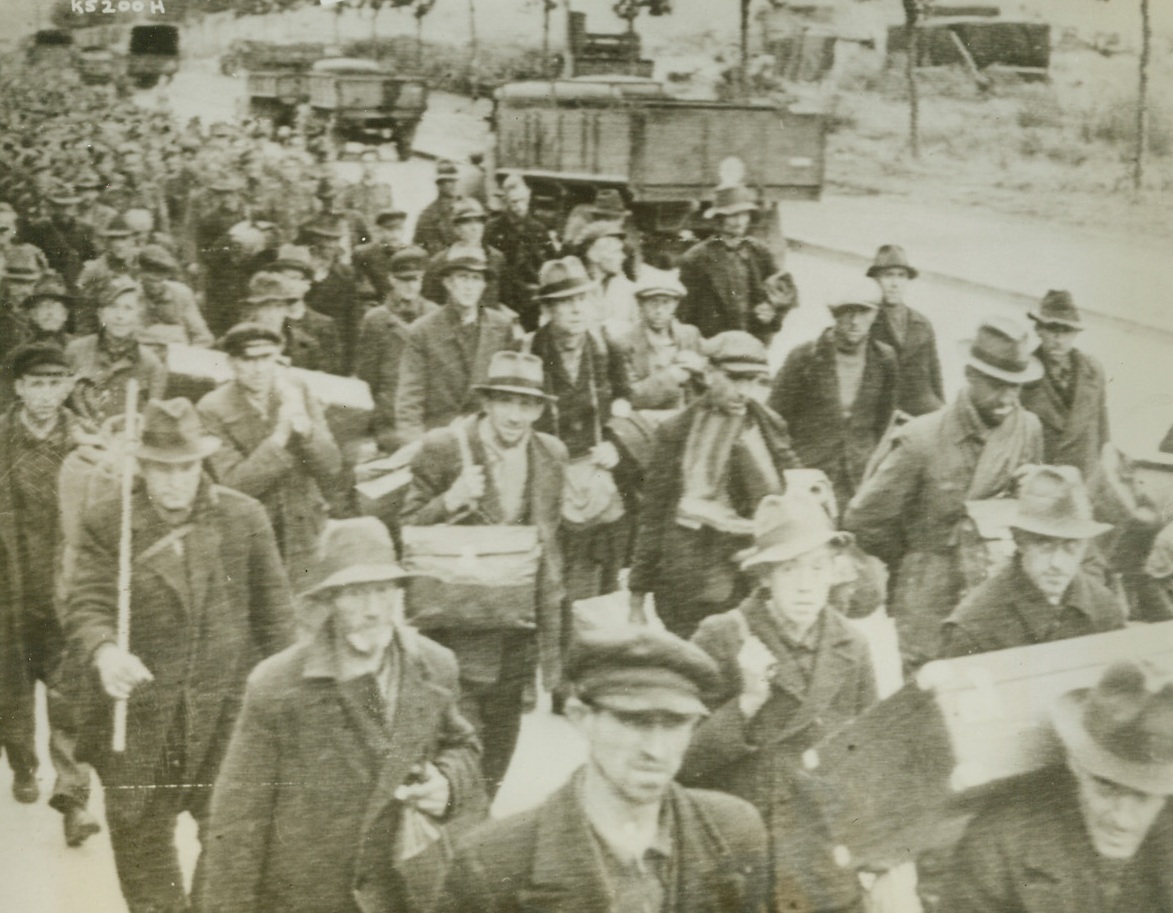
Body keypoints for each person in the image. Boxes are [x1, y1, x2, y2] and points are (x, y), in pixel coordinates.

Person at [64, 398, 295, 913]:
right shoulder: (110, 520)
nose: (173, 482)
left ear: (202, 463)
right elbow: (87, 601)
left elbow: (279, 623)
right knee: (145, 854)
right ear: (141, 466)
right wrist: (105, 652)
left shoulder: (244, 518)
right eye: (160, 469)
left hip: (225, 716)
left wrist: (292, 705)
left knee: (232, 841)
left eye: (185, 467)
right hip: (139, 719)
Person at [201, 517, 485, 913]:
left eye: (383, 589)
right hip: (309, 896)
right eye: (355, 593)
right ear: (331, 600)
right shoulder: (278, 685)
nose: (372, 610)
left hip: (399, 890)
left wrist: (449, 784)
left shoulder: (435, 666)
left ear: (399, 592)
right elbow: (238, 823)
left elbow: (463, 745)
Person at [441, 627, 771, 913]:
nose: (655, 750)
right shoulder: (493, 861)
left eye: (674, 723)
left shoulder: (734, 831)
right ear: (581, 717)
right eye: (633, 721)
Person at [681, 491, 878, 913]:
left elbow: (869, 757)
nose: (806, 585)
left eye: (818, 568)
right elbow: (680, 760)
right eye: (790, 570)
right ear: (764, 577)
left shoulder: (853, 646)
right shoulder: (723, 636)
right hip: (747, 850)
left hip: (823, 854)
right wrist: (747, 704)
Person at [402, 351, 567, 796]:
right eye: (506, 401)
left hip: (517, 637)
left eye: (528, 404)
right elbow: (405, 533)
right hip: (455, 632)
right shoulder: (444, 447)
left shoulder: (551, 454)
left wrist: (553, 654)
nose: (516, 415)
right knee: (457, 755)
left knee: (498, 755)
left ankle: (476, 830)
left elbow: (550, 551)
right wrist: (450, 501)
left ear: (539, 409)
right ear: (488, 403)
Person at [843, 315, 1045, 667]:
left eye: (1017, 386)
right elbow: (864, 518)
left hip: (993, 593)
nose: (1010, 397)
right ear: (970, 376)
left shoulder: (1027, 429)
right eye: (998, 384)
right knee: (927, 699)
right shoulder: (922, 439)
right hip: (928, 599)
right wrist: (915, 556)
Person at [943, 660, 1173, 913]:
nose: (1123, 820)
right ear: (1076, 766)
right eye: (1105, 786)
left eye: (1144, 796)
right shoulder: (1000, 844)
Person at [629, 331, 801, 638]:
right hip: (685, 585)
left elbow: (794, 500)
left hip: (747, 583)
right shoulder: (675, 432)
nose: (743, 391)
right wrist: (637, 595)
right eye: (734, 378)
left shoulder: (769, 426)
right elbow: (652, 516)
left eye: (752, 380)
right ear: (708, 374)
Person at [0, 344, 101, 846]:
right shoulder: (1, 439)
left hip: (65, 590)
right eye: (34, 384)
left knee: (72, 695)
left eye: (54, 383)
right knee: (10, 694)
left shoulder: (86, 445)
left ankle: (74, 798)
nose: (44, 394)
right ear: (18, 387)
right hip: (7, 589)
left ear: (67, 387)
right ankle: (22, 762)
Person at [197, 323, 342, 590]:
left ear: (278, 356)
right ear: (232, 363)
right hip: (253, 536)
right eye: (248, 359)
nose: (259, 368)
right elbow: (235, 485)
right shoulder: (212, 408)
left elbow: (332, 467)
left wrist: (306, 429)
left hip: (305, 530)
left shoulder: (297, 389)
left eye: (266, 358)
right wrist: (281, 435)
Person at [529, 256, 632, 602]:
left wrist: (614, 443)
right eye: (564, 302)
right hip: (547, 465)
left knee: (612, 539)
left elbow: (624, 399)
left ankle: (606, 602)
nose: (575, 310)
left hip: (596, 462)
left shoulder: (605, 349)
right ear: (547, 309)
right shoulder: (531, 352)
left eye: (581, 300)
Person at [940, 464, 1124, 658]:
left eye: (1071, 548)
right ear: (1020, 541)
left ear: (1085, 547)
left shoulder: (1103, 607)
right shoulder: (974, 625)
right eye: (1045, 547)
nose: (1058, 563)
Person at [768, 281, 898, 514]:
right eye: (847, 312)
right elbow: (773, 420)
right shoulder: (805, 357)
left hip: (857, 479)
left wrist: (871, 468)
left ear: (876, 314)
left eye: (864, 312)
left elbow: (884, 422)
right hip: (807, 475)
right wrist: (793, 470)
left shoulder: (885, 360)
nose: (855, 321)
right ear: (834, 314)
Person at [396, 249, 518, 442]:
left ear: (484, 285)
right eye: (462, 278)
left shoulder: (501, 327)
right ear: (448, 283)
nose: (469, 286)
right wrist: (416, 445)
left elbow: (510, 391)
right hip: (439, 435)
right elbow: (410, 397)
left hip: (487, 433)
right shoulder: (423, 331)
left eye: (476, 278)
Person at [355, 246, 440, 453]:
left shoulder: (436, 316)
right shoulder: (376, 320)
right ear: (392, 280)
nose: (410, 287)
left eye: (415, 280)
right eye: (404, 280)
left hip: (427, 415)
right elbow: (367, 377)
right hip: (389, 417)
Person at [677, 184, 784, 345]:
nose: (739, 221)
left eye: (744, 214)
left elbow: (784, 291)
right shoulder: (696, 258)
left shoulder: (760, 252)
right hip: (712, 343)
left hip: (753, 342)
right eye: (732, 215)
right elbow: (685, 313)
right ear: (719, 219)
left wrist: (772, 310)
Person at [1021, 290, 1111, 481]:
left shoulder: (1093, 370)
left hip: (1083, 479)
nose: (1059, 340)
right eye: (1052, 329)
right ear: (1038, 329)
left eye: (1066, 331)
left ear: (1076, 333)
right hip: (1042, 482)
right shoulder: (1022, 372)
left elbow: (1103, 430)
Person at [66, 276, 167, 426]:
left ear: (138, 315)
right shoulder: (75, 351)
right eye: (113, 307)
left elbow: (150, 418)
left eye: (128, 308)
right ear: (101, 314)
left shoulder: (151, 363)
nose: (120, 316)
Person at [865, 244, 944, 417]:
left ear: (907, 280)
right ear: (877, 279)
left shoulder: (922, 324)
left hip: (921, 410)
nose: (894, 284)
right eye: (888, 275)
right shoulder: (866, 321)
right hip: (881, 411)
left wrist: (940, 415)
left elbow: (935, 377)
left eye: (901, 276)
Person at [623, 266, 706, 411]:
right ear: (640, 304)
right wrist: (671, 376)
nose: (659, 310)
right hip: (648, 423)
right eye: (653, 302)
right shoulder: (625, 342)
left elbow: (710, 384)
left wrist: (701, 369)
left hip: (688, 418)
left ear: (676, 304)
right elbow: (631, 395)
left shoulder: (690, 335)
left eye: (666, 302)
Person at [484, 174, 554, 331]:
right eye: (515, 202)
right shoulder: (493, 230)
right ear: (506, 202)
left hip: (532, 303)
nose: (520, 206)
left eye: (524, 200)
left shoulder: (539, 230)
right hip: (504, 301)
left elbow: (551, 263)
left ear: (529, 196)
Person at [421, 197, 509, 313]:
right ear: (456, 228)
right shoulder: (439, 263)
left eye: (479, 221)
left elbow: (505, 299)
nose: (474, 228)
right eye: (467, 222)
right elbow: (430, 304)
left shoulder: (496, 258)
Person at [269, 244, 343, 375]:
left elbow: (331, 374)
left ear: (307, 284)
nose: (287, 284)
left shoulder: (324, 325)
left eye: (294, 278)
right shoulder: (266, 319)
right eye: (281, 278)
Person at [137, 243, 214, 347]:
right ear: (141, 274)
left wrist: (188, 355)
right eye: (149, 281)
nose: (155, 286)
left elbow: (203, 336)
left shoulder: (181, 293)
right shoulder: (130, 294)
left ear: (167, 276)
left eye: (159, 280)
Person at [354, 208, 409, 300]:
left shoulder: (409, 254)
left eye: (399, 229)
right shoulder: (364, 254)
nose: (395, 235)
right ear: (380, 231)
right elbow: (359, 287)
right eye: (390, 230)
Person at [413, 160, 462, 255]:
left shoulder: (468, 206)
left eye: (455, 181)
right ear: (439, 185)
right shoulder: (428, 216)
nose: (454, 185)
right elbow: (431, 249)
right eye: (449, 181)